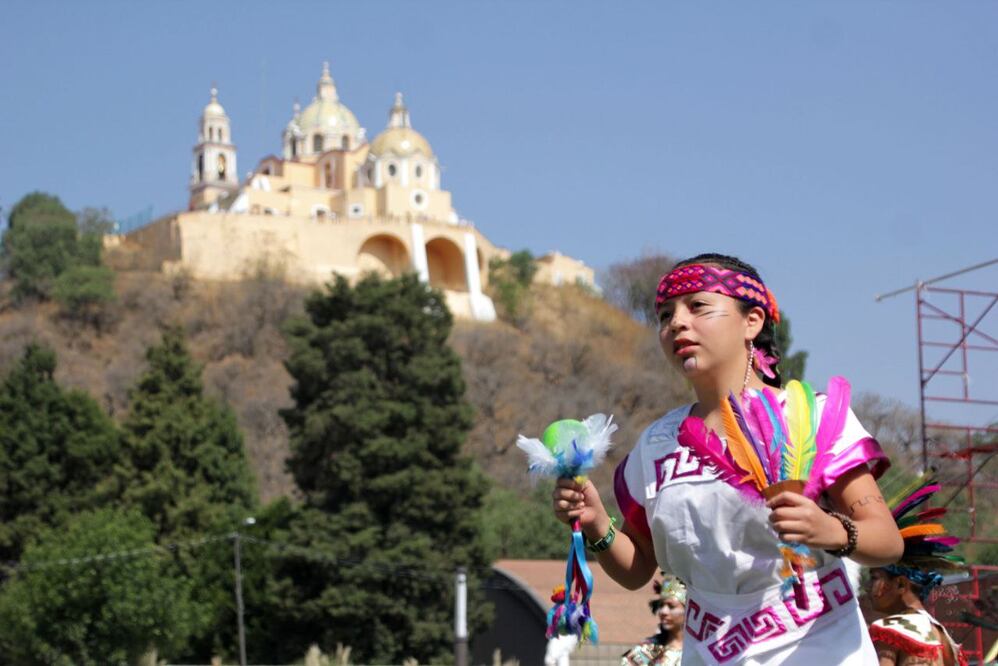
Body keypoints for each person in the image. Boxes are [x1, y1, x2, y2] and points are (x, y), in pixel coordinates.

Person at [552, 253, 904, 664]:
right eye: (665, 315)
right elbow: (637, 569)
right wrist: (596, 524)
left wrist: (831, 530)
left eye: (698, 306)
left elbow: (887, 541)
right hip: (709, 653)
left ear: (752, 321)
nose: (677, 323)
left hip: (822, 649)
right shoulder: (655, 444)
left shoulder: (811, 417)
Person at [867, 477, 968, 666]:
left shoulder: (890, 629)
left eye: (874, 577)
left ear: (900, 584)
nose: (868, 586)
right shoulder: (943, 636)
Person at [621, 574, 686, 666]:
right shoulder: (647, 651)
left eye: (671, 606)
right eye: (661, 605)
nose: (663, 611)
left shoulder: (703, 650)